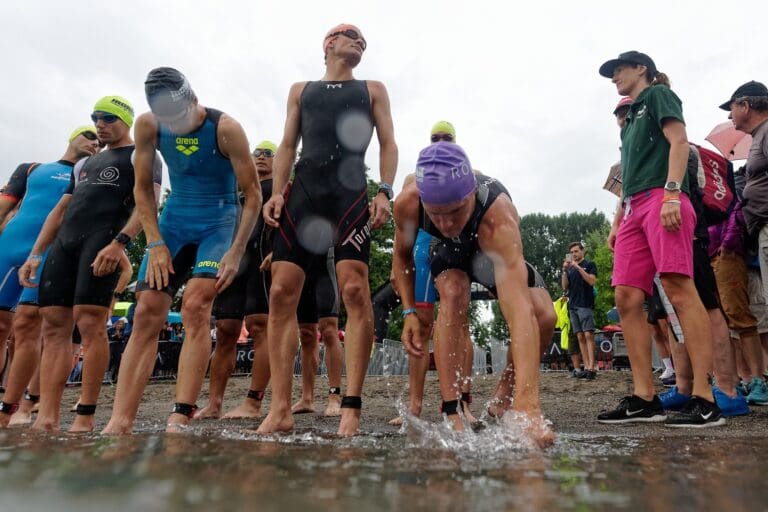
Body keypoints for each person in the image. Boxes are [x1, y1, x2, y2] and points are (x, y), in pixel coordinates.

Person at [103, 67, 261, 434]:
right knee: (146, 313)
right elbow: (143, 189)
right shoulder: (148, 126)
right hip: (174, 221)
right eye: (165, 119)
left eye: (177, 117)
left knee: (195, 304)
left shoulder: (225, 129)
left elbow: (252, 195)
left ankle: (180, 412)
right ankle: (119, 419)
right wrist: (155, 242)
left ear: (192, 99)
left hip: (218, 222)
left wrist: (236, 252)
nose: (172, 125)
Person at [258, 24, 397, 436]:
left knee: (354, 290)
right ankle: (280, 408)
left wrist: (385, 191)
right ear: (329, 44)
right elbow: (287, 144)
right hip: (303, 195)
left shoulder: (372, 89)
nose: (359, 42)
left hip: (350, 193)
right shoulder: (301, 89)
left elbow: (388, 142)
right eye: (351, 35)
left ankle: (351, 406)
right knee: (282, 293)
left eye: (364, 41)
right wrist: (278, 192)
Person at [393, 142, 554, 446]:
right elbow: (401, 260)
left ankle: (511, 392)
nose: (446, 223)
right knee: (453, 292)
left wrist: (530, 409)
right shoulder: (408, 203)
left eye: (454, 212)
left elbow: (518, 310)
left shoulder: (499, 215)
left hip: (486, 244)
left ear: (469, 194)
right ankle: (453, 409)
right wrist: (408, 311)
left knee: (544, 315)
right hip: (448, 252)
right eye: (436, 214)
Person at [19, 96, 162, 432]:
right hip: (65, 245)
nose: (100, 124)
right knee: (53, 326)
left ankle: (85, 415)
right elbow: (61, 210)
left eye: (108, 117)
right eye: (95, 117)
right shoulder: (85, 164)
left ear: (126, 120)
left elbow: (149, 204)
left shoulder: (142, 155)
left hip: (103, 243)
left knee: (90, 324)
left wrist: (119, 243)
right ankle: (47, 415)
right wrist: (37, 253)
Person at [599, 51, 722, 426]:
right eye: (612, 73)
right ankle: (644, 396)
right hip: (635, 206)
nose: (614, 76)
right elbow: (629, 177)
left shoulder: (657, 95)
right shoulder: (631, 118)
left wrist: (672, 193)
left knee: (677, 285)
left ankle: (704, 396)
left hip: (662, 198)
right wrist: (619, 219)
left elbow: (679, 141)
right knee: (626, 296)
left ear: (642, 69)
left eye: (620, 69)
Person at [0, 126, 100, 427]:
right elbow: (5, 207)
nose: (94, 142)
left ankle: (25, 403)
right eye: (88, 134)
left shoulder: (89, 173)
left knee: (31, 324)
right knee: (3, 326)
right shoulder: (32, 169)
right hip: (11, 247)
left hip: (50, 253)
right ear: (72, 137)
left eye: (98, 140)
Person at [562, 242, 598, 379]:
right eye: (572, 252)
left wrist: (578, 267)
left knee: (588, 334)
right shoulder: (570, 269)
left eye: (576, 251)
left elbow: (591, 281)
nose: (574, 254)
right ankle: (586, 366)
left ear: (582, 251)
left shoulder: (590, 265)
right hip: (573, 305)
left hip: (585, 304)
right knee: (580, 336)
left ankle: (592, 367)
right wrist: (565, 270)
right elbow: (565, 287)